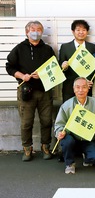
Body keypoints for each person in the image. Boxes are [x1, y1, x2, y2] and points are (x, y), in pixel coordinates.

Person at [6, 21, 55, 161]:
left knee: (46, 121)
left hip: (44, 90)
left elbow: (54, 67)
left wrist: (43, 74)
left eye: (39, 29)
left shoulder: (47, 49)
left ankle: (46, 147)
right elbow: (9, 67)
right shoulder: (19, 49)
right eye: (33, 29)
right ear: (27, 32)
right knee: (26, 122)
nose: (36, 32)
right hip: (26, 91)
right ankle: (27, 148)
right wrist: (22, 76)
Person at [54, 77, 95, 174]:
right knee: (67, 141)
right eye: (77, 87)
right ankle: (69, 164)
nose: (81, 90)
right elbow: (59, 124)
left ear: (88, 89)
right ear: (74, 89)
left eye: (84, 87)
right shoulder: (67, 105)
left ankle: (86, 157)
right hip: (72, 138)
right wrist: (60, 132)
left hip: (88, 139)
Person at [59, 20, 95, 103]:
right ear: (73, 31)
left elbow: (94, 67)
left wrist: (90, 80)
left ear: (87, 32)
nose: (81, 32)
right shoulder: (65, 47)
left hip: (86, 88)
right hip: (69, 88)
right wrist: (63, 66)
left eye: (84, 30)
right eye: (78, 30)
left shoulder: (92, 47)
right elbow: (60, 66)